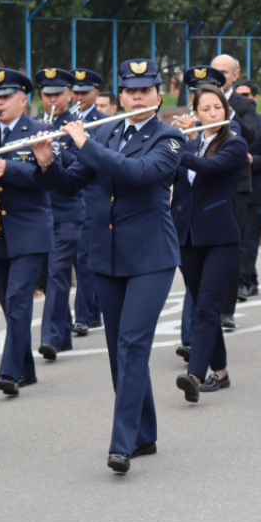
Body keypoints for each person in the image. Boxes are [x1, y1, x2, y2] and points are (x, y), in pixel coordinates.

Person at [31, 58, 184, 474]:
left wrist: (86, 145)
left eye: (145, 90)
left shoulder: (169, 138)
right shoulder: (110, 132)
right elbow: (71, 184)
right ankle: (145, 433)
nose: (137, 97)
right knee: (121, 350)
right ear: (121, 95)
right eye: (130, 91)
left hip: (151, 257)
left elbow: (137, 173)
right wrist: (47, 162)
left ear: (158, 95)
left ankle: (122, 443)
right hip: (108, 255)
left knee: (133, 344)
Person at [0, 68, 57, 397]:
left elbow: (48, 178)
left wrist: (10, 168)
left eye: (5, 97)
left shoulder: (41, 131)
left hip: (30, 229)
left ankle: (9, 372)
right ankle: (27, 369)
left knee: (19, 301)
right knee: (8, 303)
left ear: (23, 99)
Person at [169, 84, 249, 401]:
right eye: (205, 109)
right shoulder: (188, 147)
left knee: (205, 307)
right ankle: (222, 372)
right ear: (195, 113)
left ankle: (195, 375)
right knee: (204, 305)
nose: (212, 114)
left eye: (217, 108)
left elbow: (210, 167)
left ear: (225, 110)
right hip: (186, 237)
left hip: (220, 239)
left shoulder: (235, 143)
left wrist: (175, 148)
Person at [33, 67, 83, 360]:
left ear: (69, 94)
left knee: (57, 272)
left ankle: (49, 338)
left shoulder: (79, 126)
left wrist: (55, 153)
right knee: (48, 276)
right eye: (46, 94)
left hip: (67, 210)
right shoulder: (34, 124)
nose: (52, 100)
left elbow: (83, 162)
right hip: (40, 211)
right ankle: (63, 334)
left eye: (57, 94)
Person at [207, 54, 257, 327]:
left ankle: (226, 310)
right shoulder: (200, 100)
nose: (219, 74)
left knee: (230, 244)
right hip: (205, 180)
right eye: (214, 70)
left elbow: (249, 134)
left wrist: (225, 108)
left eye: (224, 71)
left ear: (235, 75)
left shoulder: (244, 104)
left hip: (236, 185)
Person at [70, 70, 109, 338]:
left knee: (84, 257)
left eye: (85, 92)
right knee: (76, 257)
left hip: (92, 197)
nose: (80, 97)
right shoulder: (65, 121)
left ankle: (83, 316)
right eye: (77, 92)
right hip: (67, 195)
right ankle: (94, 311)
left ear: (96, 92)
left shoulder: (105, 123)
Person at [234, 80, 261, 300]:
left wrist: (253, 160)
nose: (242, 99)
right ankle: (251, 279)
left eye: (246, 94)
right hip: (232, 192)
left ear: (256, 97)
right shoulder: (229, 124)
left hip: (256, 193)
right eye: (237, 95)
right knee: (236, 240)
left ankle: (242, 284)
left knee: (249, 240)